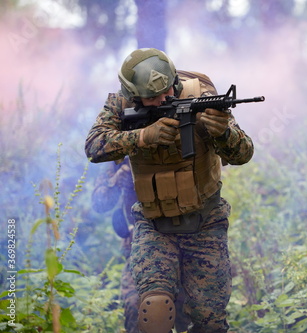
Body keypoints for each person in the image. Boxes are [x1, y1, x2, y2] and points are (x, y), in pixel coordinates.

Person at [85, 48, 254, 333]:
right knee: (156, 311)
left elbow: (244, 153)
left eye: (167, 91)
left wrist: (223, 132)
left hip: (205, 223)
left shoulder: (200, 92)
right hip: (154, 226)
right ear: (134, 95)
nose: (164, 100)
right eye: (153, 98)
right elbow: (94, 146)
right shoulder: (119, 103)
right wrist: (142, 136)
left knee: (208, 322)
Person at [90, 158, 190, 333]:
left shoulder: (180, 135)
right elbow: (99, 203)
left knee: (190, 314)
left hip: (186, 242)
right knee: (139, 311)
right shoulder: (123, 149)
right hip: (141, 247)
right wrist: (117, 182)